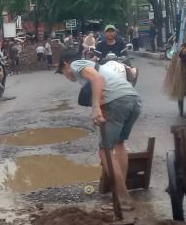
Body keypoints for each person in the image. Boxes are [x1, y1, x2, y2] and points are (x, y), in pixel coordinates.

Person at [58, 47, 142, 211]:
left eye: (62, 71)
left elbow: (97, 80)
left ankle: (123, 199)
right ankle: (120, 193)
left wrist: (96, 107)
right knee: (119, 145)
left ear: (65, 64)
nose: (66, 76)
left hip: (117, 102)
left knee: (104, 151)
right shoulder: (95, 64)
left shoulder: (76, 64)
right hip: (132, 99)